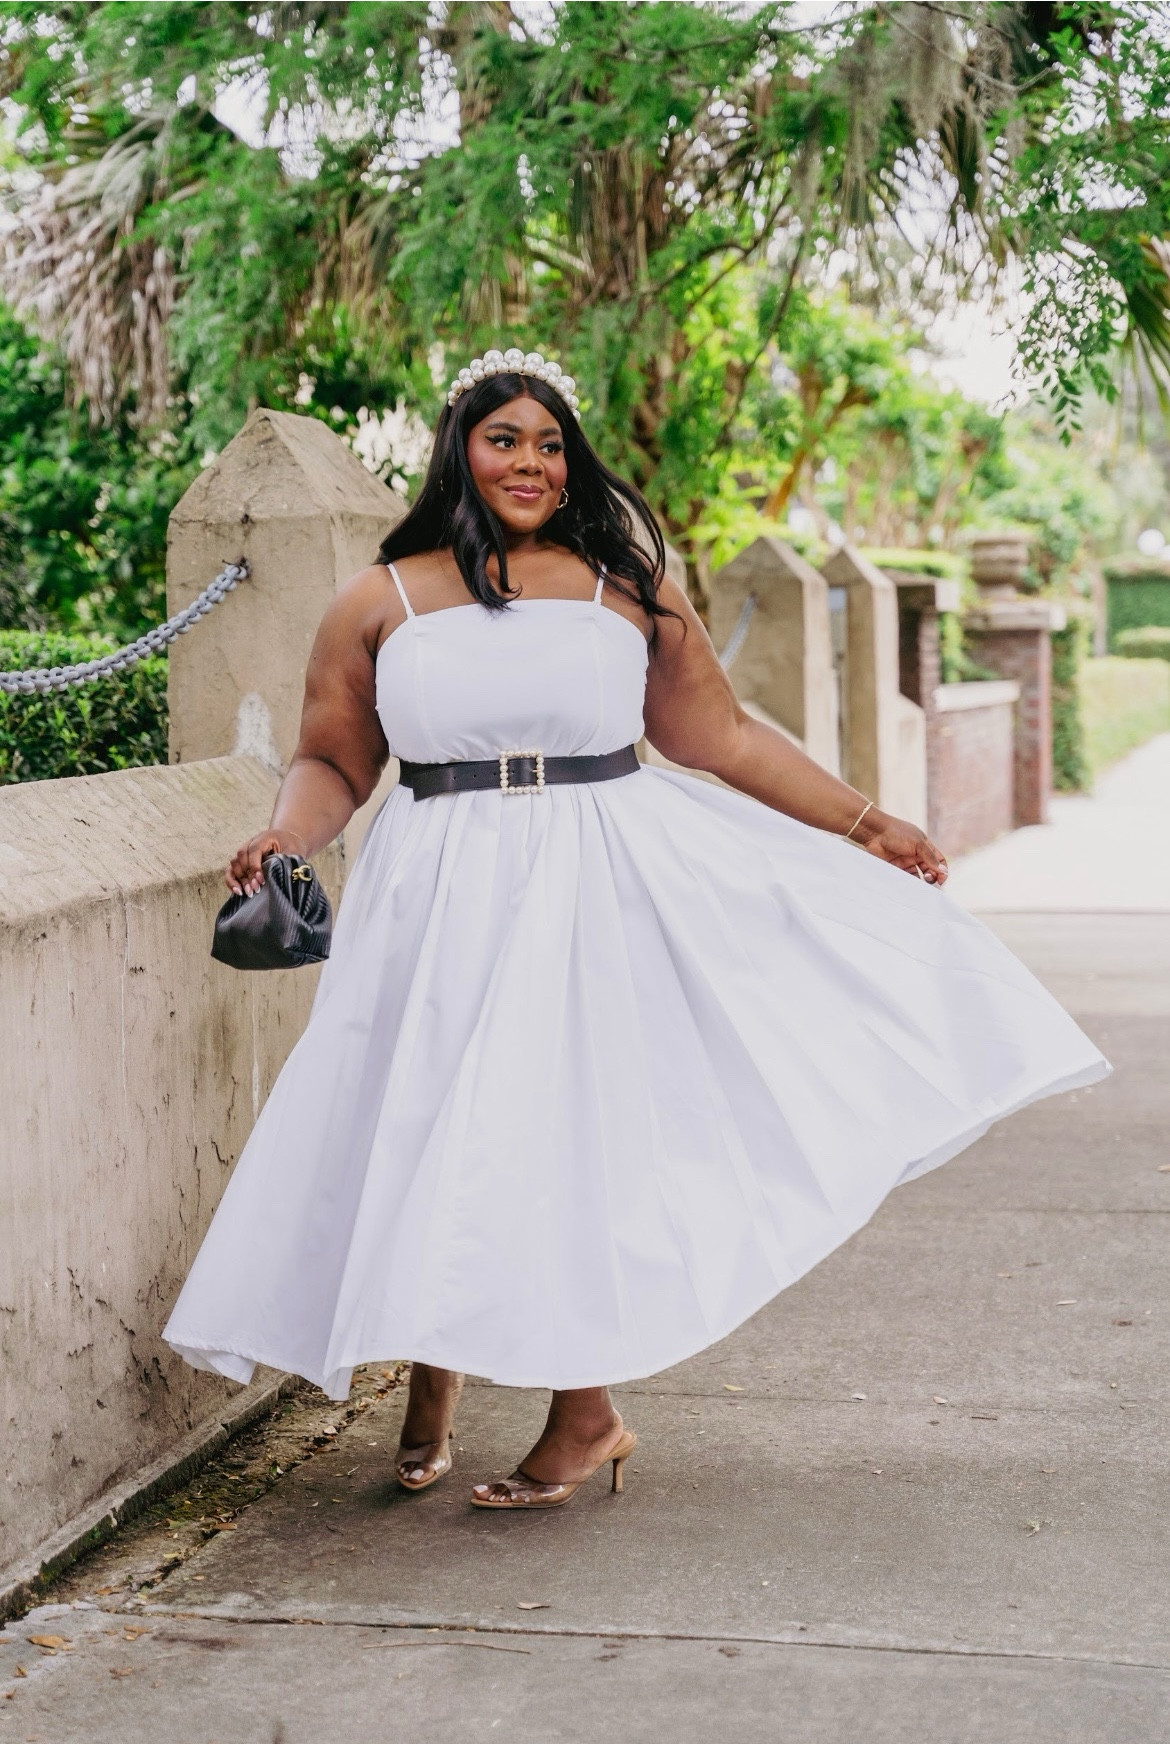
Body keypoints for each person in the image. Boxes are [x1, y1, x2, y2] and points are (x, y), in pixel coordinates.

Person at [164, 348, 1109, 1511]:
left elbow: (724, 737)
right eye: (505, 436)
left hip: (591, 884)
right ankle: (433, 1375)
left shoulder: (625, 589)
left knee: (562, 1135)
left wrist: (864, 820)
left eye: (551, 442)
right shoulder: (383, 598)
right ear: (459, 446)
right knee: (426, 1115)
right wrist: (286, 837)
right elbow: (333, 758)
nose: (530, 460)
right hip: (437, 885)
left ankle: (584, 1414)